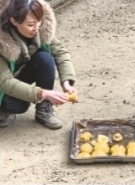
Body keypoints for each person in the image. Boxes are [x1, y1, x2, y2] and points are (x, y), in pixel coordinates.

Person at [0, 0, 77, 129]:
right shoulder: (2, 41)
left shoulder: (40, 28)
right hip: (3, 80)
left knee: (45, 59)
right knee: (18, 106)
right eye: (31, 24)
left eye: (39, 21)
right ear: (14, 21)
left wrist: (66, 82)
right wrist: (43, 93)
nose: (36, 27)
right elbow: (5, 81)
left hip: (16, 73)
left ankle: (44, 109)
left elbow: (60, 52)